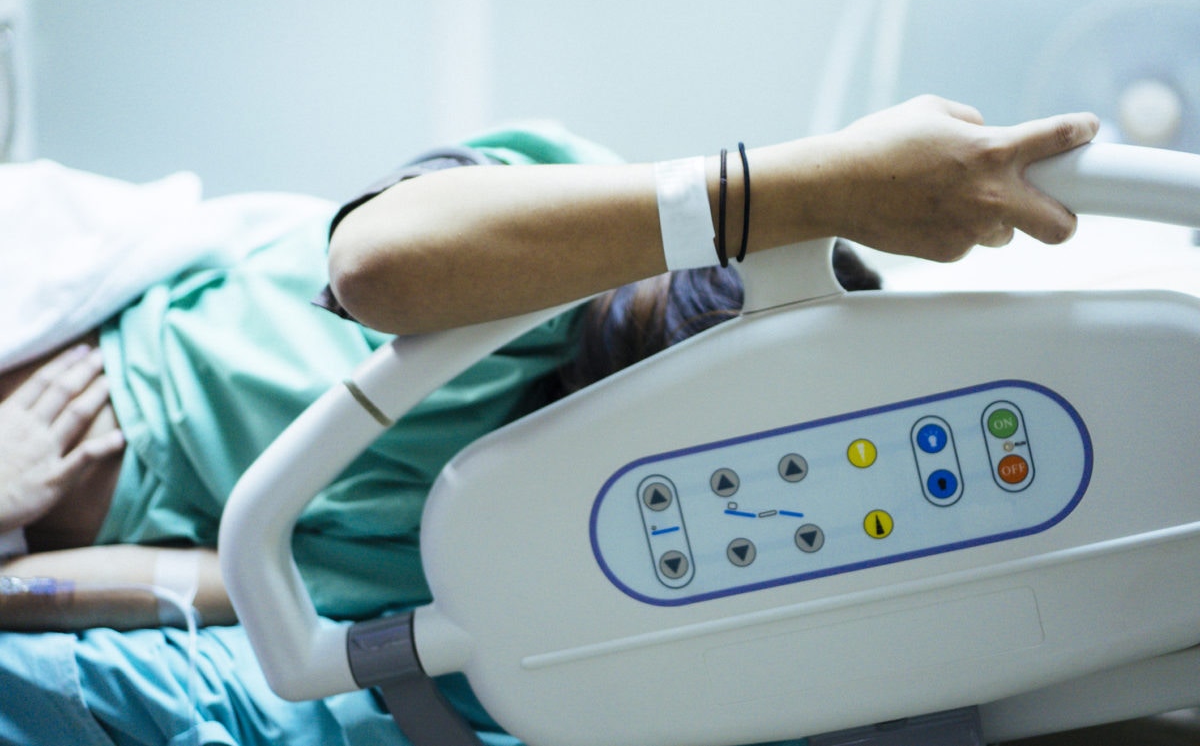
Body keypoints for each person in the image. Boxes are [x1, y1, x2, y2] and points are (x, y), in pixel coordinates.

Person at [0, 95, 1099, 746]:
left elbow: (220, 589)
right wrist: (820, 187)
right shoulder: (556, 262)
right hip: (72, 342)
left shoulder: (523, 533)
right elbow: (376, 262)